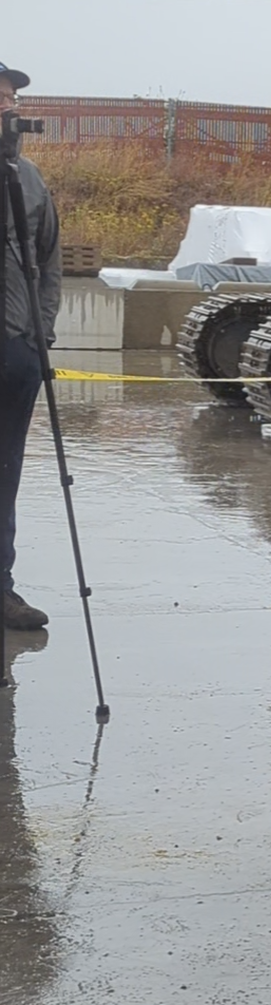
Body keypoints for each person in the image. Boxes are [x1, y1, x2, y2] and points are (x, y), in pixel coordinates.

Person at [1, 61, 60, 632]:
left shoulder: (29, 177)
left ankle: (1, 588)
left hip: (14, 346)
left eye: (12, 96)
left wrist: (39, 335)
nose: (9, 105)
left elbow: (47, 260)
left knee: (5, 471)